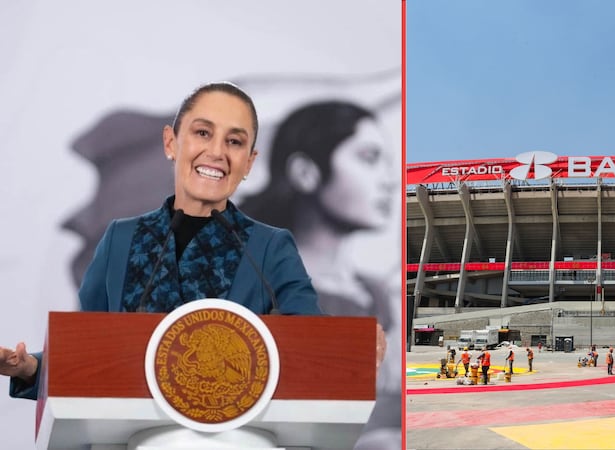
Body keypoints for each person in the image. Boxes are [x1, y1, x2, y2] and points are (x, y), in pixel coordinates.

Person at [0, 82, 387, 401]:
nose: (216, 152)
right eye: (203, 133)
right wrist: (30, 368)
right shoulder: (120, 240)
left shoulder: (270, 248)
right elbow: (85, 354)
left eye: (235, 141)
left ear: (250, 163)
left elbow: (315, 349)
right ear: (171, 143)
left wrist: (355, 351)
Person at [238, 101, 399, 447]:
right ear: (305, 172)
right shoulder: (248, 281)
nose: (390, 181)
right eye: (369, 158)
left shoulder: (374, 294)